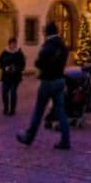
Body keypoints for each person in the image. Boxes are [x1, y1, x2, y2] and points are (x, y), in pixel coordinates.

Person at [17, 22, 70, 150]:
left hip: (47, 81)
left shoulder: (48, 45)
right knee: (61, 111)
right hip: (59, 79)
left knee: (39, 110)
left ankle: (29, 137)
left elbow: (40, 61)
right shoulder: (63, 45)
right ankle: (65, 139)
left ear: (47, 32)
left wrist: (38, 63)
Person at [0, 37, 25, 116]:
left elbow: (22, 64)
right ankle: (6, 108)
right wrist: (5, 67)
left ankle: (12, 110)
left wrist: (16, 68)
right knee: (4, 92)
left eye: (14, 43)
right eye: (12, 44)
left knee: (13, 92)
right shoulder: (5, 52)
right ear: (9, 44)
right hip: (6, 76)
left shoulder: (19, 53)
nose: (13, 45)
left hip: (15, 77)